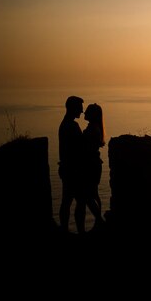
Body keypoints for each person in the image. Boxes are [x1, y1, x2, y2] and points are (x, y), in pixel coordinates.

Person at [58, 95, 86, 233]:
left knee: (67, 201)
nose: (82, 111)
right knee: (80, 202)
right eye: (80, 108)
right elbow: (81, 147)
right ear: (73, 108)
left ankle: (65, 230)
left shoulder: (64, 124)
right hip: (73, 169)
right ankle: (80, 231)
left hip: (67, 168)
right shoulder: (72, 126)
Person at [82, 103, 106, 231]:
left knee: (88, 195)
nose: (84, 113)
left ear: (92, 115)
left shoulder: (92, 129)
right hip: (94, 164)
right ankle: (98, 222)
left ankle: (99, 221)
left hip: (91, 165)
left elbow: (87, 148)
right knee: (94, 194)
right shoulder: (94, 127)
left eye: (87, 111)